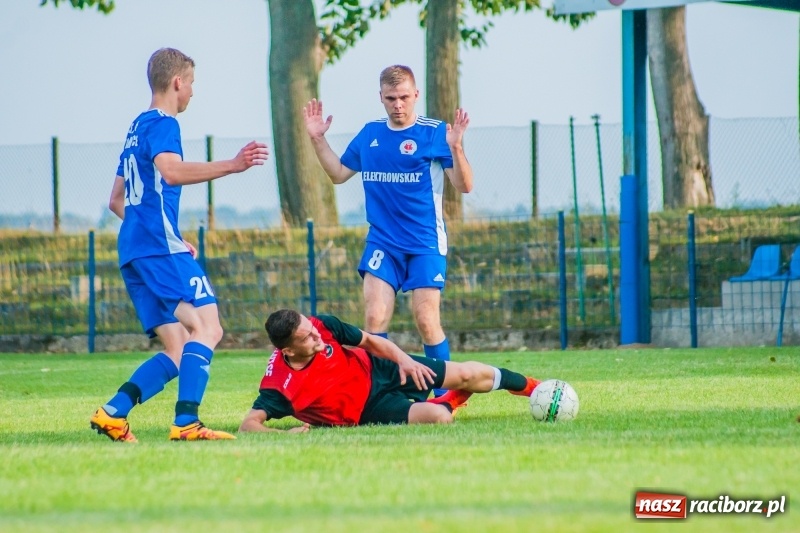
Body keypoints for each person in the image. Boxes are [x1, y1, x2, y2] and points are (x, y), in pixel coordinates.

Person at [89, 47, 269, 442]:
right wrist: (233, 165)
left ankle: (112, 413)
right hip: (156, 248)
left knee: (178, 345)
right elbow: (170, 173)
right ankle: (187, 421)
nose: (191, 94)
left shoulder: (136, 127)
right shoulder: (165, 123)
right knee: (209, 327)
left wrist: (166, 232)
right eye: (191, 85)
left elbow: (116, 200)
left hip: (135, 249)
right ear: (177, 82)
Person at [302, 65, 473, 397]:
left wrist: (456, 148)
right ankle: (375, 394)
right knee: (374, 318)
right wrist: (317, 139)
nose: (398, 105)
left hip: (425, 243)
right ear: (380, 97)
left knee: (426, 319)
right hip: (383, 242)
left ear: (416, 96)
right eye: (391, 98)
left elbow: (465, 186)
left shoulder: (435, 133)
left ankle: (443, 396)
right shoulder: (370, 134)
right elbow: (338, 173)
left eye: (404, 97)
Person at [238, 309, 540, 432]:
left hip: (381, 368)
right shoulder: (280, 386)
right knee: (440, 418)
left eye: (311, 328)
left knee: (467, 374)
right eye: (307, 337)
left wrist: (405, 361)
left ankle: (535, 388)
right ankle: (453, 399)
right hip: (368, 409)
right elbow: (248, 424)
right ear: (287, 350)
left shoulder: (323, 325)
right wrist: (284, 435)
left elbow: (369, 341)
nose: (317, 335)